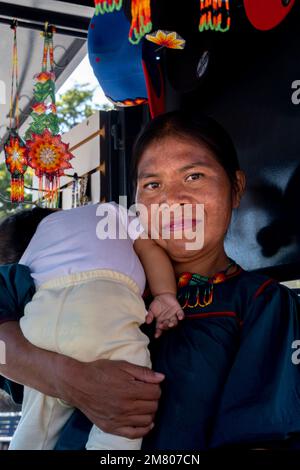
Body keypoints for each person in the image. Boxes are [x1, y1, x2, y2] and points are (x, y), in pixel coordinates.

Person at [0, 109, 300, 450]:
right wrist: (68, 379)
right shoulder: (103, 274)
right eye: (153, 184)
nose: (172, 201)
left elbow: (262, 437)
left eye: (194, 177)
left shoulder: (260, 302)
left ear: (235, 187)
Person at [0, 201, 184, 450]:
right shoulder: (113, 212)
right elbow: (149, 248)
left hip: (40, 323)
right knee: (128, 408)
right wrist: (164, 294)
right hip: (103, 312)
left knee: (35, 428)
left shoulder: (26, 263)